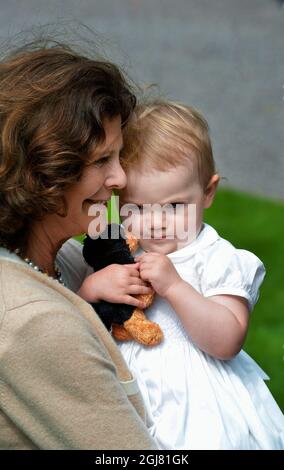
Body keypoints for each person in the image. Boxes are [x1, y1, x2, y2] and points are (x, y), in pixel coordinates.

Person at [0, 41, 157, 450]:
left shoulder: (65, 255)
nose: (120, 178)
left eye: (120, 156)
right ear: (45, 169)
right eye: (103, 160)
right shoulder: (33, 321)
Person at [113, 101, 284, 449]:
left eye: (174, 206)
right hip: (132, 395)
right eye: (139, 207)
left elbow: (227, 340)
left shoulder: (217, 258)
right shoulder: (119, 251)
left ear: (207, 192)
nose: (157, 222)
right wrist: (97, 286)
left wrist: (175, 287)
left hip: (200, 407)